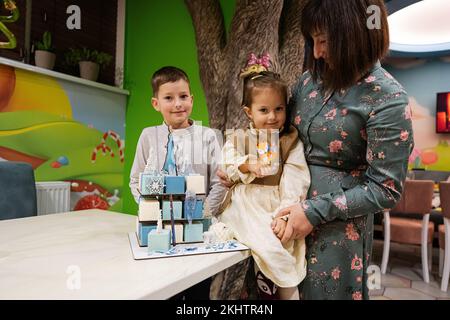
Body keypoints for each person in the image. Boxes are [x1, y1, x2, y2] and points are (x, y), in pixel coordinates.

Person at [270, 0, 414, 300]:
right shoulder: (309, 82)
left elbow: (385, 189)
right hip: (282, 217)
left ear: (355, 34)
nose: (318, 52)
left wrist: (312, 211)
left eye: (324, 41)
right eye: (313, 41)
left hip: (335, 235)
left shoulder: (387, 98)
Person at [212, 65, 311, 300]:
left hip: (275, 205)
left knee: (283, 251)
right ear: (249, 112)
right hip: (245, 207)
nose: (272, 117)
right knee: (267, 246)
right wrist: (247, 165)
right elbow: (226, 163)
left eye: (279, 109)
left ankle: (287, 294)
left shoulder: (289, 141)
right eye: (264, 110)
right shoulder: (240, 138)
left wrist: (284, 214)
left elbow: (296, 180)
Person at [129, 66, 226, 299]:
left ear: (191, 99)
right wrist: (152, 210)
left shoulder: (208, 136)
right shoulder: (148, 136)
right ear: (156, 103)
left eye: (183, 96)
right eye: (169, 98)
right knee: (163, 288)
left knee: (198, 293)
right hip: (159, 231)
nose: (177, 104)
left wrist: (199, 214)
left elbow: (219, 183)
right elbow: (136, 180)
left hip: (197, 231)